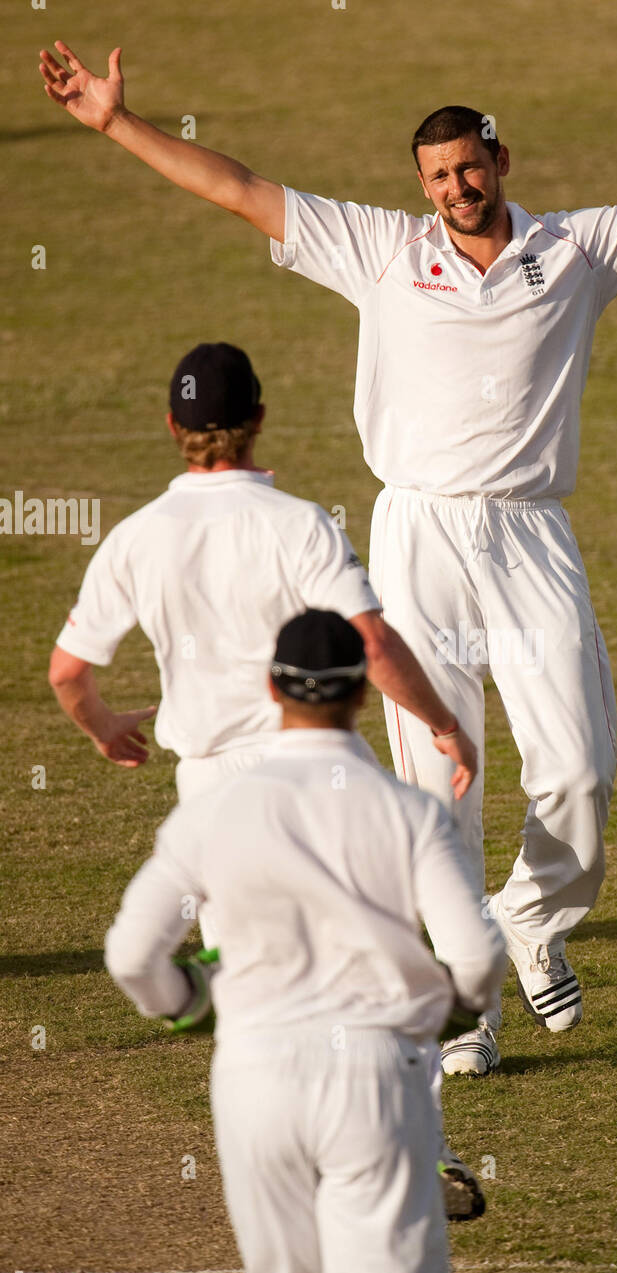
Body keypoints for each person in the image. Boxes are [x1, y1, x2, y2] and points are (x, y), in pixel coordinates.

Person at [39, 40, 617, 1076]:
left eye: (469, 167)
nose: (455, 188)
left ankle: (533, 915)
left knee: (580, 765)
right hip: (416, 527)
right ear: (418, 188)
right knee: (438, 778)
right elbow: (239, 187)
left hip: (527, 529)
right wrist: (112, 123)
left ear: (499, 161)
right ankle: (465, 1007)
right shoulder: (379, 248)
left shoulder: (576, 248)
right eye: (436, 177)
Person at [49, 342, 485, 1219]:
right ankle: (418, 1149)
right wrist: (441, 724)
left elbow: (68, 671)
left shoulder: (139, 538)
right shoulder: (298, 524)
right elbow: (369, 643)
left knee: (258, 989)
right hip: (322, 764)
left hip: (214, 795)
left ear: (173, 428)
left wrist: (106, 732)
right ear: (258, 420)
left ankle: (294, 1184)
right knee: (374, 965)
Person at [105, 610, 509, 1273]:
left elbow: (132, 956)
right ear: (361, 694)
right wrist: (446, 1012)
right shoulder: (408, 812)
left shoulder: (213, 812)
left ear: (271, 688)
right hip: (377, 1075)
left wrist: (190, 1002)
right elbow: (473, 955)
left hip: (255, 1074)